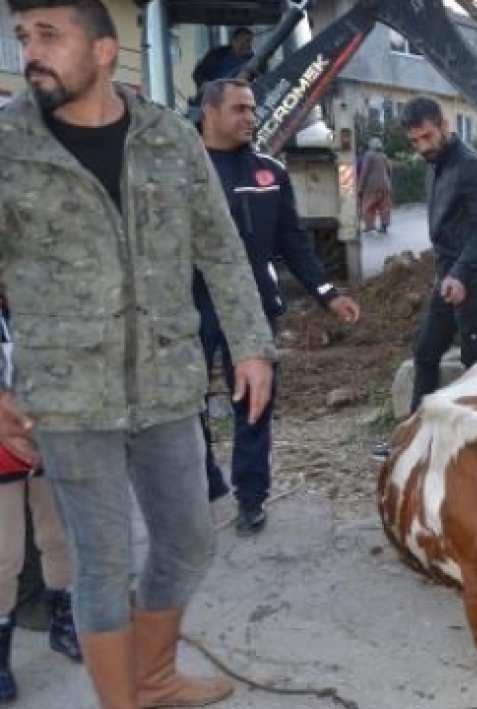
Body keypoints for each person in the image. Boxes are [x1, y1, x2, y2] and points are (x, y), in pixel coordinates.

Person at [0, 2, 278, 707]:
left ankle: (153, 677)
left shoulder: (168, 138)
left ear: (102, 51)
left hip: (166, 382)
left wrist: (251, 344)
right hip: (67, 394)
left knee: (189, 541)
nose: (31, 52)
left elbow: (220, 245)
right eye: (23, 37)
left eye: (49, 35)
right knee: (102, 563)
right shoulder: (8, 146)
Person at [197, 78, 361, 535]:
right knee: (185, 401)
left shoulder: (269, 174)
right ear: (209, 112)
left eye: (252, 109)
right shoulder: (184, 172)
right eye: (239, 109)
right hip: (192, 307)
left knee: (254, 401)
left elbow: (293, 242)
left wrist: (328, 293)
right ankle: (204, 481)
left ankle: (251, 497)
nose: (251, 117)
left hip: (254, 308)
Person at [0, 298, 81, 703]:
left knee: (56, 538)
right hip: (3, 442)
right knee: (6, 556)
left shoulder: (35, 300)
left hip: (45, 435)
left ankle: (63, 623)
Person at [405, 96, 477, 410]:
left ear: (444, 125)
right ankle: (417, 427)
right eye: (415, 141)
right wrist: (447, 274)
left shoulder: (470, 165)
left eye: (427, 136)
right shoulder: (435, 164)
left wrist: (460, 274)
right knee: (425, 352)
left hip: (474, 277)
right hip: (448, 276)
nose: (422, 147)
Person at [358, 136, 394, 234]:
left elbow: (364, 172)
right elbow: (390, 169)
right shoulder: (384, 156)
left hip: (371, 186)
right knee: (384, 206)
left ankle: (370, 226)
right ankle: (384, 225)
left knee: (368, 206)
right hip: (385, 186)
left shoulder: (368, 155)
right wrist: (388, 181)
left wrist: (360, 187)